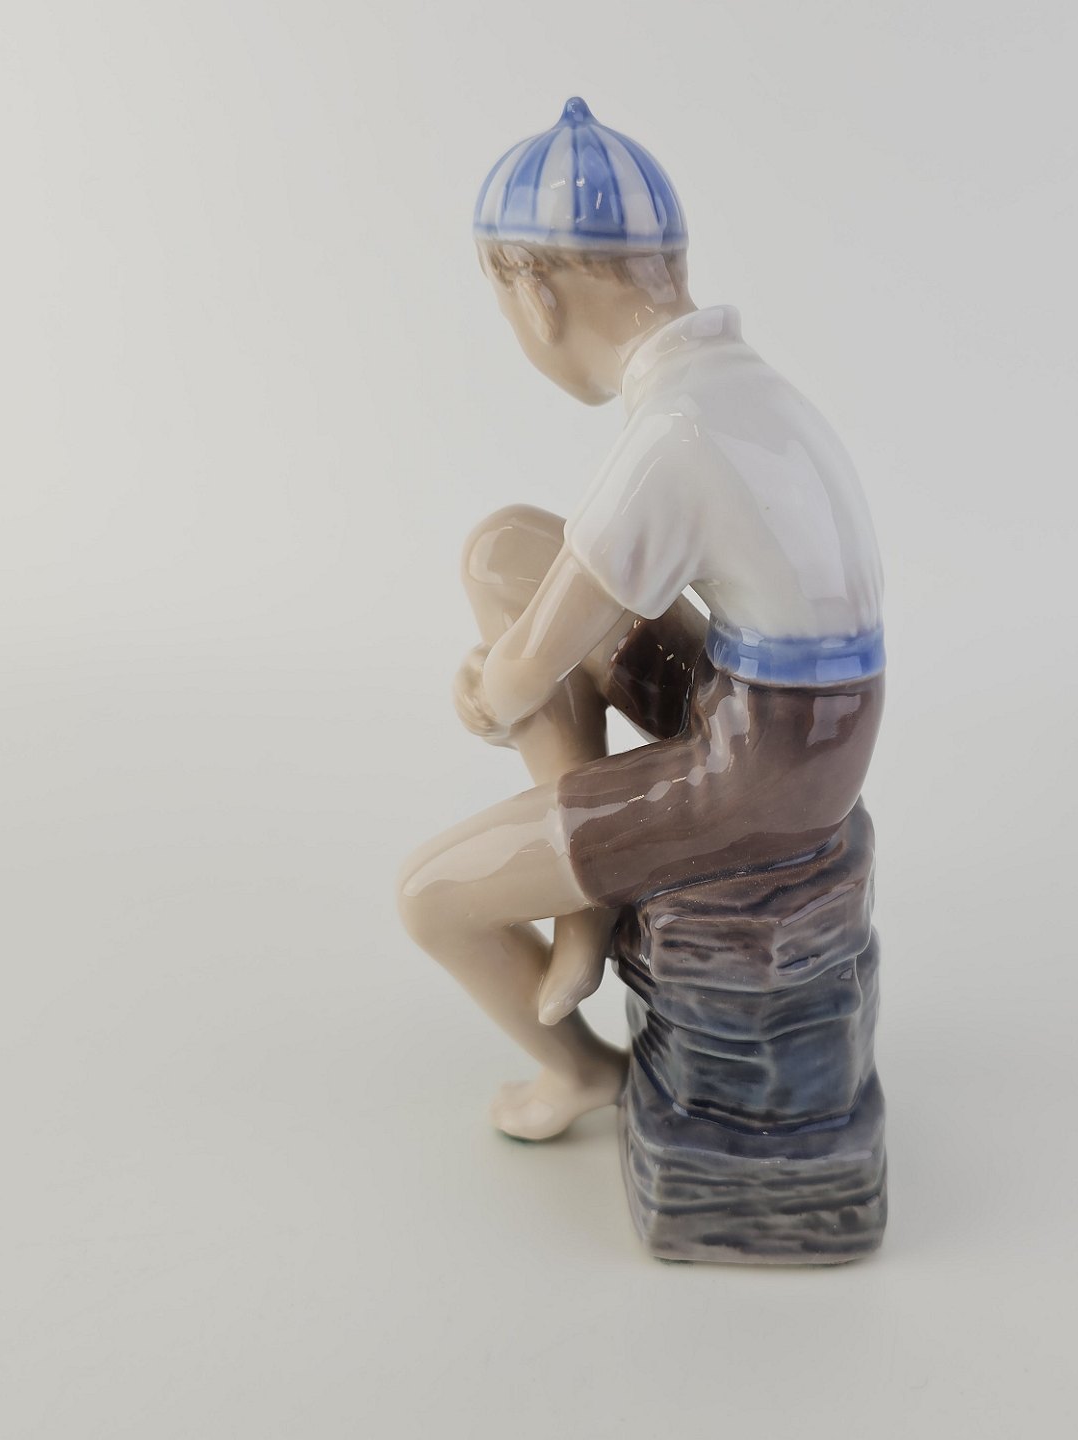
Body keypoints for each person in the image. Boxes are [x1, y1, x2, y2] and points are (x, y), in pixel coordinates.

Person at [396, 99, 885, 1140]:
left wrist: (482, 693)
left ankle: (579, 1069)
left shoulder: (673, 433)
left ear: (536, 298)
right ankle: (585, 895)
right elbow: (563, 600)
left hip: (762, 771)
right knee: (505, 548)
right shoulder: (736, 386)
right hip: (782, 713)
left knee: (431, 894)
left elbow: (525, 673)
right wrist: (515, 667)